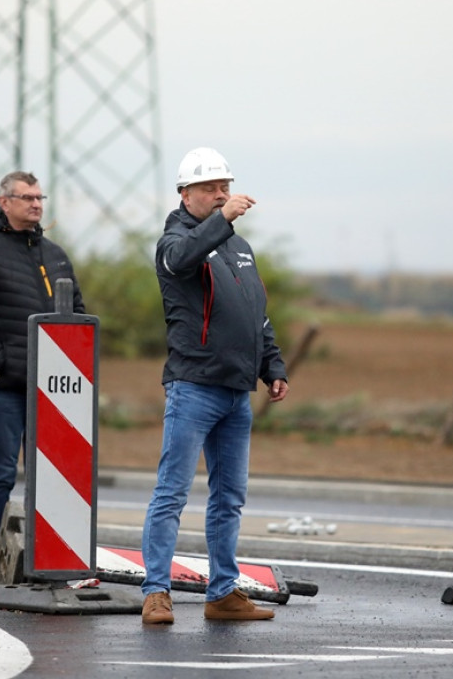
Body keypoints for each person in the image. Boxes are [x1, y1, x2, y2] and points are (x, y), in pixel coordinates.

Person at [140, 147, 289, 625]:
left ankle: (223, 592)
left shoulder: (238, 248)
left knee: (229, 498)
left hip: (236, 392)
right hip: (194, 387)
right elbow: (182, 258)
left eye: (225, 186)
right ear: (185, 194)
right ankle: (156, 592)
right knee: (172, 493)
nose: (221, 194)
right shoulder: (174, 242)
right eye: (209, 188)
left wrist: (272, 366)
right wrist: (222, 220)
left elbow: (256, 315)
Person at [0, 170, 85, 590]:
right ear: (4, 202)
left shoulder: (55, 254)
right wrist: (2, 362)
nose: (36, 204)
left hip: (54, 389)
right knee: (2, 473)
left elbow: (78, 313)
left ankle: (49, 562)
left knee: (52, 477)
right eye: (27, 197)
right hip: (5, 386)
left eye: (40, 197)